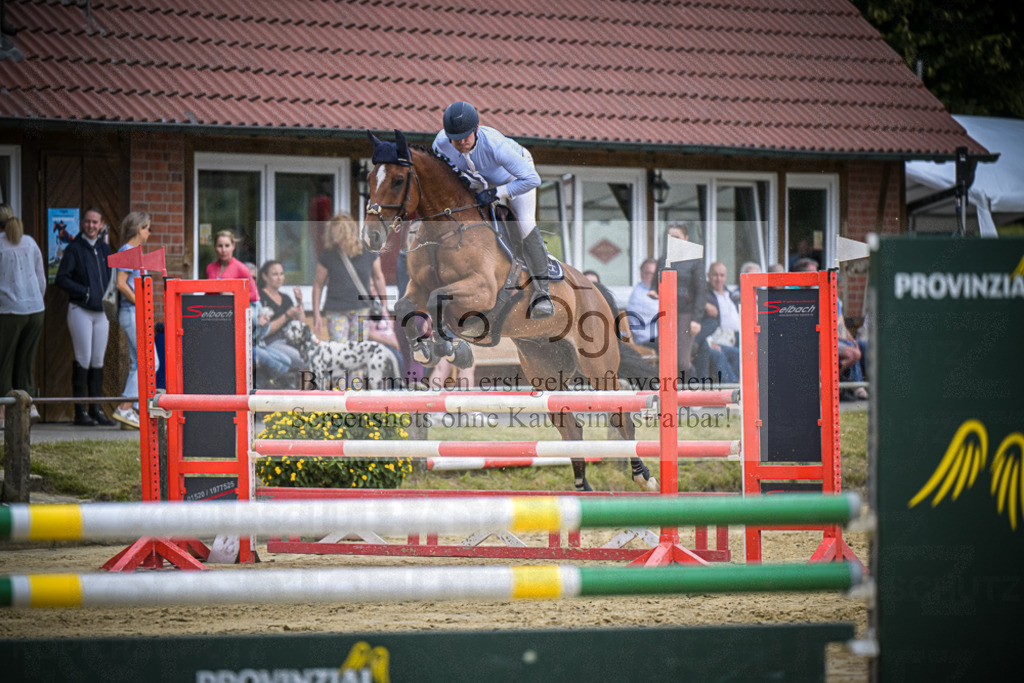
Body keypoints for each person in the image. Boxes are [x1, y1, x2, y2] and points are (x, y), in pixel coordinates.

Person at [432, 100, 554, 319]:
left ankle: (542, 293)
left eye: (465, 137)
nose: (460, 143)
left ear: (476, 130)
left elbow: (532, 179)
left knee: (525, 222)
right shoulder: (440, 144)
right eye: (455, 138)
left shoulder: (495, 146)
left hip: (515, 178)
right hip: (478, 180)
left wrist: (497, 193)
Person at [55, 207, 115, 426]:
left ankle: (96, 409)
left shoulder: (105, 249)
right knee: (83, 359)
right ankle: (80, 412)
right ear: (82, 223)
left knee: (98, 361)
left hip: (102, 313)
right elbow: (62, 278)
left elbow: (112, 278)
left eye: (95, 222)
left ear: (101, 225)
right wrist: (85, 292)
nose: (91, 225)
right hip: (80, 310)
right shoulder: (74, 249)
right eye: (88, 221)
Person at [0, 204, 45, 428]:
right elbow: (41, 279)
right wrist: (35, 299)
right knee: (25, 362)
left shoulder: (0, 245)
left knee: (4, 361)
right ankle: (30, 407)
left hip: (9, 311)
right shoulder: (30, 242)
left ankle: (2, 413)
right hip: (36, 310)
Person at [111, 212, 157, 429]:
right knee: (150, 361)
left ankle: (128, 412)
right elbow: (122, 284)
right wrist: (142, 303)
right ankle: (126, 407)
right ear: (140, 229)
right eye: (148, 228)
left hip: (133, 313)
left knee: (139, 362)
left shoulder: (132, 252)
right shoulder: (128, 252)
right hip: (132, 312)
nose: (150, 232)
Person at [312, 213, 388, 343]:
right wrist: (316, 313)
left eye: (338, 234)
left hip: (361, 308)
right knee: (339, 350)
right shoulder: (329, 254)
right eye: (333, 234)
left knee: (358, 350)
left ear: (347, 233)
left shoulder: (368, 251)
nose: (334, 238)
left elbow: (379, 277)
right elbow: (318, 285)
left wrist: (384, 305)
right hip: (336, 310)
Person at [658, 222, 705, 375]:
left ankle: (697, 393)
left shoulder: (695, 260)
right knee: (667, 360)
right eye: (670, 237)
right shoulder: (664, 259)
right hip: (666, 315)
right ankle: (673, 397)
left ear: (686, 238)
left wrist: (696, 319)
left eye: (676, 237)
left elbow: (701, 290)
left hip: (686, 314)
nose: (673, 241)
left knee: (682, 362)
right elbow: (654, 285)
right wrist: (654, 293)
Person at [258, 260, 306, 372]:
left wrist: (299, 303)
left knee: (314, 354)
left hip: (288, 341)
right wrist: (286, 316)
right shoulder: (260, 297)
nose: (279, 278)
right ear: (265, 276)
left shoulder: (286, 298)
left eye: (281, 274)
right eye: (275, 274)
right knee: (304, 359)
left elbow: (302, 324)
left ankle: (305, 389)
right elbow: (264, 330)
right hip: (269, 342)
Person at [705, 261, 741, 379]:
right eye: (715, 275)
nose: (719, 279)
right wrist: (709, 341)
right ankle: (732, 391)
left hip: (735, 337)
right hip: (716, 339)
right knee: (732, 354)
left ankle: (743, 387)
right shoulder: (704, 296)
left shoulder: (730, 294)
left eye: (722, 275)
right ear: (708, 275)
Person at [205, 229, 259, 303]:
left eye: (227, 246)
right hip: (212, 311)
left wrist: (234, 297)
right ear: (215, 247)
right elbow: (208, 294)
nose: (223, 250)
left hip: (233, 312)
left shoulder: (241, 268)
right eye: (220, 246)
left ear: (233, 246)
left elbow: (255, 295)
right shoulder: (210, 268)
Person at [626, 258, 660, 349]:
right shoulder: (638, 293)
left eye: (655, 273)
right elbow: (662, 311)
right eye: (649, 273)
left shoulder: (656, 289)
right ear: (641, 275)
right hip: (647, 339)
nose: (653, 277)